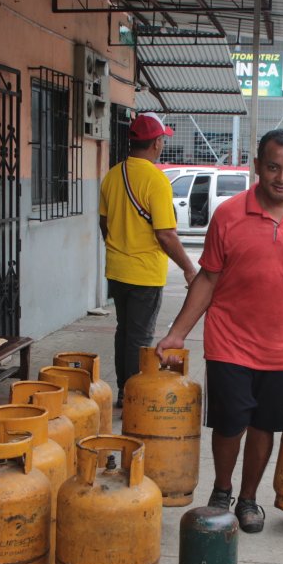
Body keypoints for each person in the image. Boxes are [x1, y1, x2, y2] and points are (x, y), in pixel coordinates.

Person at [156, 129, 283, 533]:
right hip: (229, 342)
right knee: (229, 424)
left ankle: (248, 498)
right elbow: (208, 279)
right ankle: (221, 490)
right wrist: (176, 334)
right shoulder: (228, 215)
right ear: (257, 165)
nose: (282, 178)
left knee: (265, 426)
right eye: (273, 167)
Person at [99, 112, 198, 408]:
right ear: (156, 143)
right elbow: (166, 234)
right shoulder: (156, 180)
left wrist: (120, 246)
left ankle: (123, 389)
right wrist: (189, 268)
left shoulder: (112, 175)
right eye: (162, 140)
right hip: (144, 274)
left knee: (124, 332)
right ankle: (133, 395)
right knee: (139, 338)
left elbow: (104, 224)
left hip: (117, 270)